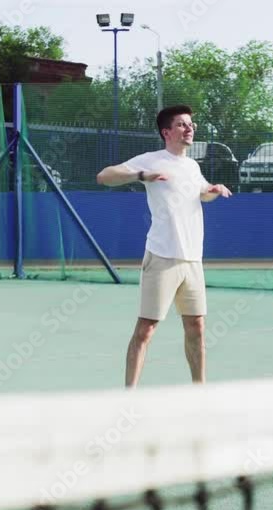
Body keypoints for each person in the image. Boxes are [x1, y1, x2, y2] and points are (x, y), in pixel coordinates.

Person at [95, 105, 232, 388]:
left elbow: (201, 195)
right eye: (182, 124)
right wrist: (140, 176)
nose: (189, 128)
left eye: (191, 124)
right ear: (166, 132)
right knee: (146, 329)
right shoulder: (151, 160)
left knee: (197, 326)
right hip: (162, 257)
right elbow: (104, 176)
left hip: (193, 260)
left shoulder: (192, 166)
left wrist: (213, 190)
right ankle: (129, 394)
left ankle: (199, 391)